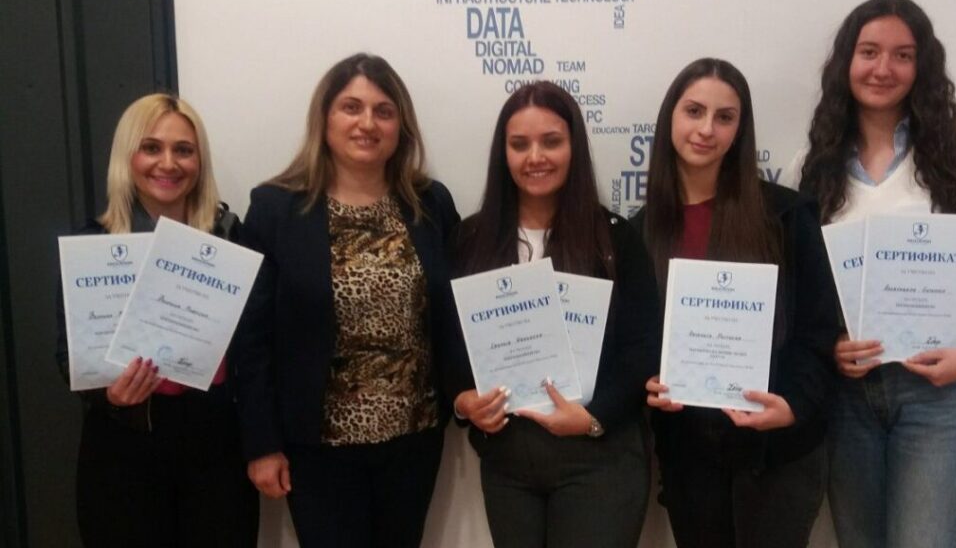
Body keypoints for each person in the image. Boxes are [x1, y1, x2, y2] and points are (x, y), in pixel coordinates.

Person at [790, 0, 956, 548]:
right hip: (849, 396)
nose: (883, 68)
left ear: (922, 66)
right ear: (847, 60)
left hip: (941, 393)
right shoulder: (811, 167)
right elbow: (804, 294)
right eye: (869, 52)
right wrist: (831, 345)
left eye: (902, 55)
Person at [234, 53, 460, 547]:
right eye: (351, 107)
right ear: (325, 118)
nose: (367, 123)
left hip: (413, 439)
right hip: (316, 448)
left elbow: (457, 314)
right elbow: (251, 339)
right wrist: (262, 443)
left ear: (401, 126)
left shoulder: (430, 204)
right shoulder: (276, 208)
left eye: (384, 111)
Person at [446, 81, 659, 548]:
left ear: (574, 147)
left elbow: (643, 347)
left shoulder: (614, 238)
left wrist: (594, 417)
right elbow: (449, 344)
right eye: (519, 144)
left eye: (551, 141)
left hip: (598, 456)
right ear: (503, 153)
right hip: (508, 463)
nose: (535, 157)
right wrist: (463, 401)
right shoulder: (470, 240)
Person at [638, 58, 840, 548]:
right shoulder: (642, 231)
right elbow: (639, 341)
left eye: (724, 117)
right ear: (670, 118)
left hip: (778, 455)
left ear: (740, 131)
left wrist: (793, 406)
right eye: (694, 111)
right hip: (690, 458)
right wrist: (648, 380)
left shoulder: (787, 216)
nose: (707, 129)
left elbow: (819, 330)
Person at [55, 93, 258, 547]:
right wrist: (110, 396)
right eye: (151, 148)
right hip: (124, 451)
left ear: (199, 161)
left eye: (183, 150)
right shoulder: (92, 246)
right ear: (127, 156)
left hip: (216, 450)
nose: (168, 163)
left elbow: (255, 345)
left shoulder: (229, 239)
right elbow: (67, 354)